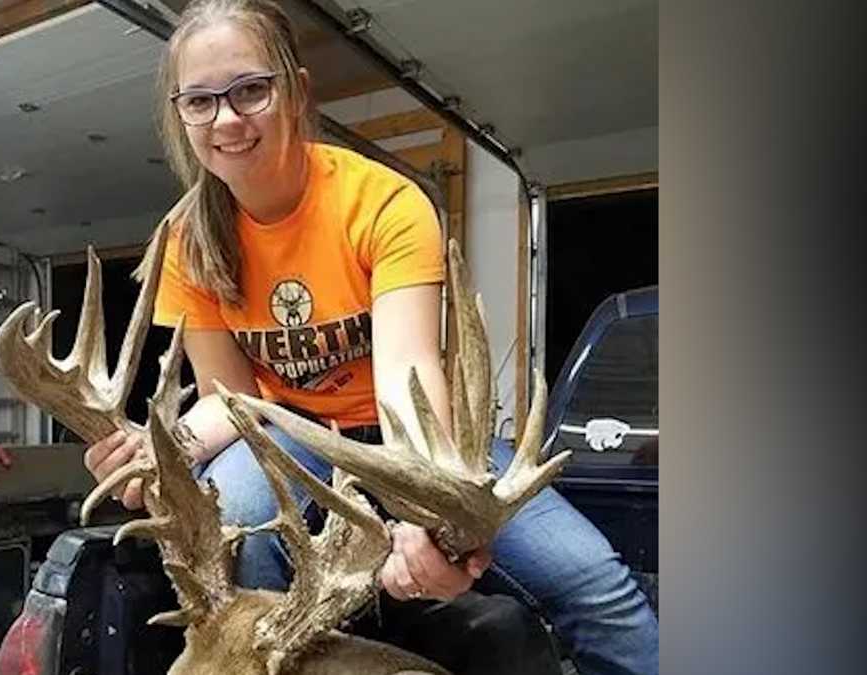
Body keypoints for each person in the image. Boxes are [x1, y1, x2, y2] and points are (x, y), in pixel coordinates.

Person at [82, 1, 658, 673]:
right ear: (180, 115)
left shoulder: (381, 202)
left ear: (295, 89)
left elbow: (407, 379)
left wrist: (428, 512)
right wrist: (164, 449)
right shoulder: (186, 243)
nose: (228, 119)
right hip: (287, 437)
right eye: (201, 101)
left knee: (596, 584)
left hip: (400, 438)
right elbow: (228, 400)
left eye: (250, 90)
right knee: (238, 514)